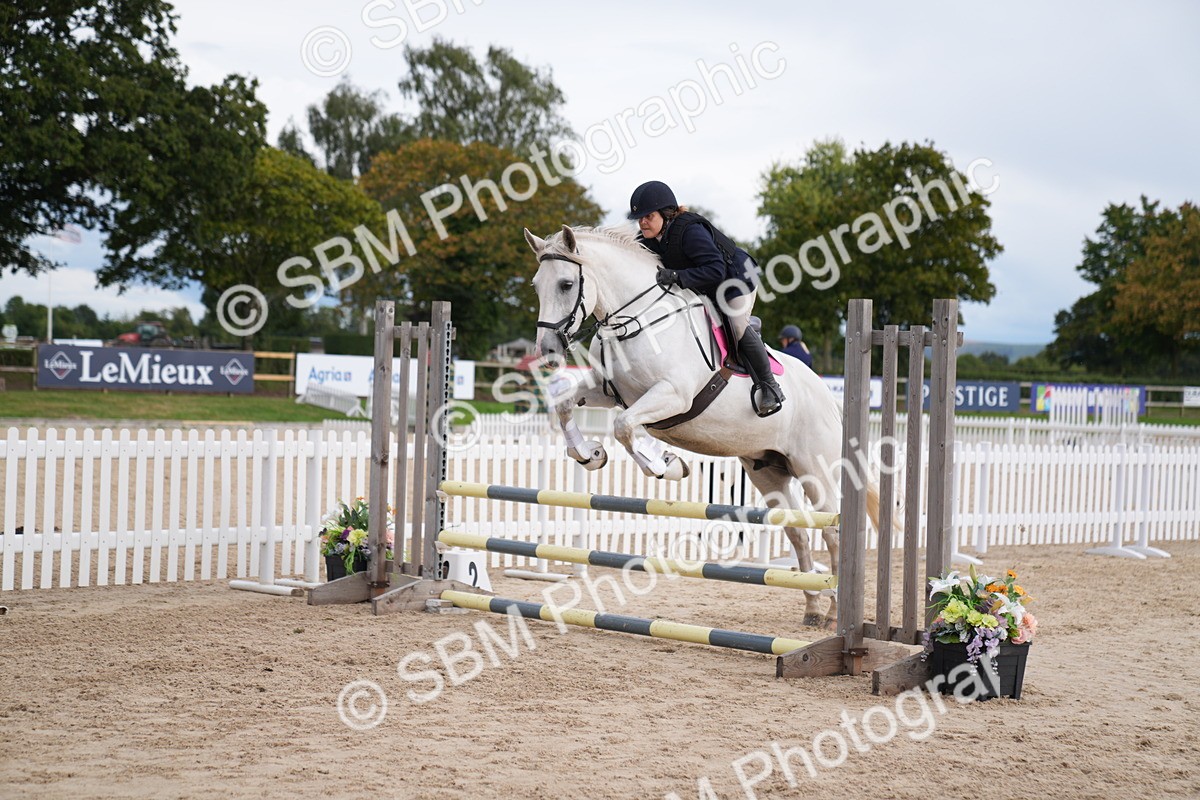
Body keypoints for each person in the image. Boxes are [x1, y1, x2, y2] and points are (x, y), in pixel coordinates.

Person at [627, 180, 784, 417]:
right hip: (707, 286)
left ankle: (770, 385)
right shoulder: (648, 238)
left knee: (736, 324)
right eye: (639, 218)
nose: (642, 222)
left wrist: (677, 276)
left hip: (736, 280)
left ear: (666, 213)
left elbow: (715, 270)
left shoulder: (689, 231)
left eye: (648, 216)